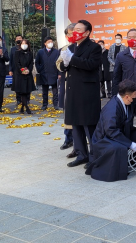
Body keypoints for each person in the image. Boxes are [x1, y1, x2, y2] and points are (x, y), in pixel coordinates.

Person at [87, 80, 136, 181]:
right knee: (118, 147)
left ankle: (133, 162)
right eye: (135, 94)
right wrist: (130, 144)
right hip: (105, 139)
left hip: (120, 134)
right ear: (127, 96)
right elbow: (111, 131)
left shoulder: (128, 101)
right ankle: (118, 171)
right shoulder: (112, 108)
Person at [61, 19, 102, 167]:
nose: (74, 31)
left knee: (89, 125)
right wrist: (64, 63)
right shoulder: (71, 47)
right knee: (76, 125)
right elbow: (63, 65)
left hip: (87, 92)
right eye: (74, 29)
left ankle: (95, 156)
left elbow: (91, 65)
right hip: (72, 90)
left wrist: (72, 59)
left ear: (87, 32)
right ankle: (81, 154)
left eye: (78, 29)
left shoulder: (95, 47)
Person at [58, 24, 76, 152]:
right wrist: (64, 64)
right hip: (68, 84)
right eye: (68, 34)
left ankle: (82, 140)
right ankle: (68, 139)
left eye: (73, 33)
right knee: (68, 113)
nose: (71, 36)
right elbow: (58, 64)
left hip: (82, 85)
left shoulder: (89, 47)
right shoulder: (64, 48)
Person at [35, 36, 60, 110]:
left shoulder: (56, 52)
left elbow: (59, 63)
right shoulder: (40, 52)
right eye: (48, 42)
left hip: (54, 73)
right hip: (44, 73)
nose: (50, 43)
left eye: (51, 42)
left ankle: (55, 104)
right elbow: (37, 62)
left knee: (55, 91)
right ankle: (44, 104)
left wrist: (59, 73)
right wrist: (40, 70)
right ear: (45, 43)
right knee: (44, 91)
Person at [14, 38, 35, 114]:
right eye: (22, 44)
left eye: (25, 44)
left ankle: (23, 107)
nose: (24, 45)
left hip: (28, 75)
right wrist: (22, 70)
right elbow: (17, 63)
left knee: (27, 91)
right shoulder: (17, 53)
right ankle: (27, 108)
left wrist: (28, 70)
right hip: (20, 75)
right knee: (22, 92)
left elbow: (31, 63)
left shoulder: (30, 53)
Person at [9, 34, 23, 106]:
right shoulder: (12, 49)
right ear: (15, 40)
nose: (18, 39)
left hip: (23, 69)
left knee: (23, 84)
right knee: (17, 85)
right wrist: (10, 70)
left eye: (20, 38)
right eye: (17, 38)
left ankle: (25, 99)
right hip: (15, 70)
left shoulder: (25, 47)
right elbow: (10, 60)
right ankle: (18, 99)